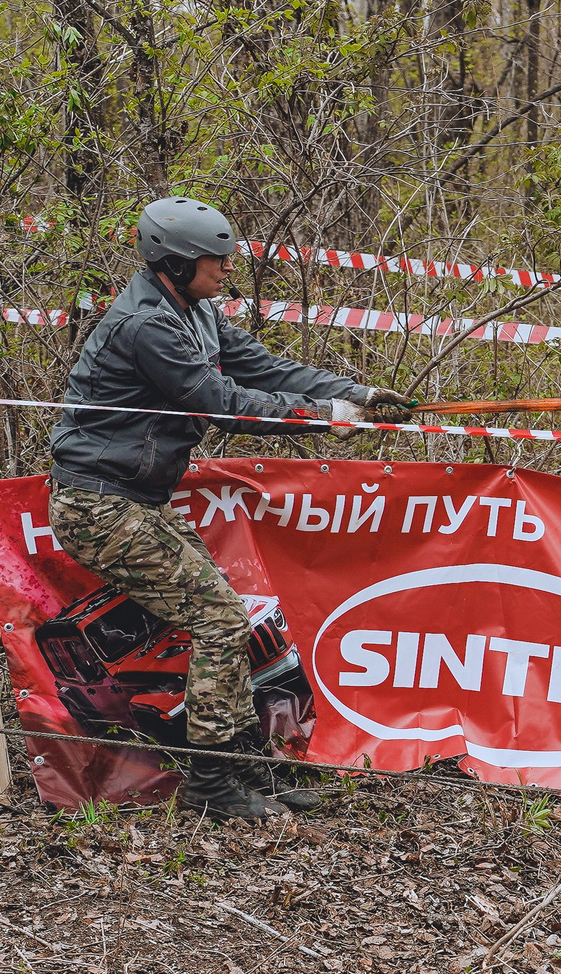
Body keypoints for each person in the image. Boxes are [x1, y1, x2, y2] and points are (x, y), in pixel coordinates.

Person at [47, 196, 414, 819]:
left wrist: (355, 393)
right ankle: (212, 785)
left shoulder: (197, 313)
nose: (225, 271)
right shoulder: (145, 326)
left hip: (140, 501)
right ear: (175, 263)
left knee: (226, 617)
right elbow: (219, 402)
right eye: (214, 261)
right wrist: (323, 421)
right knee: (221, 621)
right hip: (98, 505)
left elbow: (265, 368)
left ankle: (249, 770)